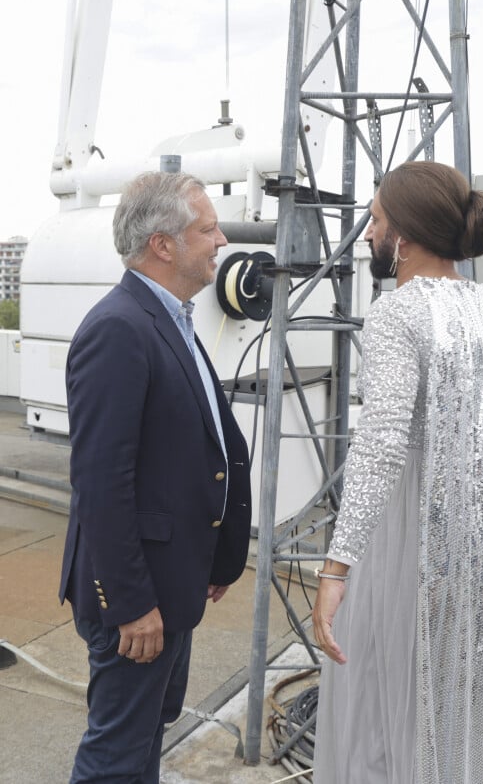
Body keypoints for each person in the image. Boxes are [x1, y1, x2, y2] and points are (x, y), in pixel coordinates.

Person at [312, 161, 483, 784]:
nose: (368, 233)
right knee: (456, 701)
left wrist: (336, 567)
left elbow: (381, 446)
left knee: (381, 695)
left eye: (376, 219)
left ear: (406, 236)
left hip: (407, 541)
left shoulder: (399, 313)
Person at [59, 171, 252, 783]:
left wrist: (214, 558)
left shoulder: (170, 318)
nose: (221, 241)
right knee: (115, 760)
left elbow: (193, 453)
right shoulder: (119, 328)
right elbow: (100, 482)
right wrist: (133, 604)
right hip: (138, 599)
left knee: (143, 742)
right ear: (163, 245)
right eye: (207, 228)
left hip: (171, 587)